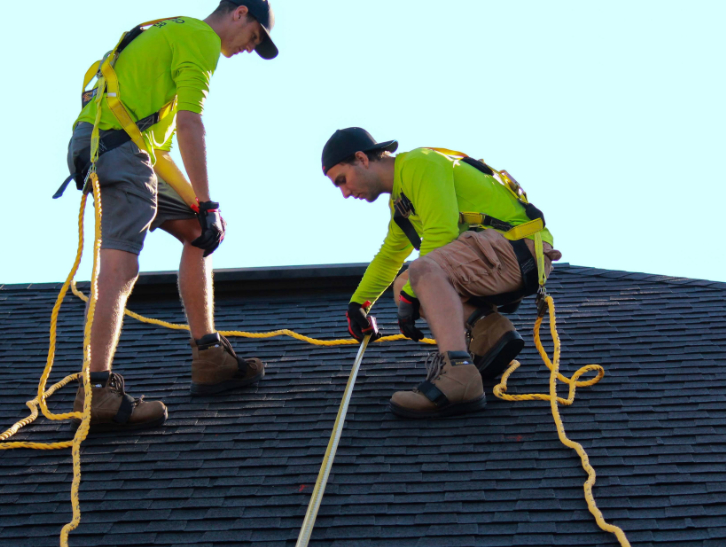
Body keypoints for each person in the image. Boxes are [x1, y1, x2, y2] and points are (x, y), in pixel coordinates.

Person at [64, 1, 279, 432]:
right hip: (114, 149)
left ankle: (209, 356)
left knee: (202, 232)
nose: (249, 48)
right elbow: (189, 124)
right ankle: (96, 391)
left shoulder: (173, 33)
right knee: (121, 265)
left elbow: (156, 144)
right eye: (254, 36)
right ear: (239, 13)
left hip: (129, 149)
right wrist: (208, 197)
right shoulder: (200, 38)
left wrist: (202, 209)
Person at [322, 127, 562, 419]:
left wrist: (414, 293)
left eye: (342, 181)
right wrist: (359, 304)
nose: (345, 193)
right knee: (403, 283)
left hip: (516, 249)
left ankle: (459, 375)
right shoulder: (402, 201)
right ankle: (490, 331)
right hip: (501, 255)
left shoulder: (418, 163)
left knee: (421, 271)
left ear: (361, 158)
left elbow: (442, 233)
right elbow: (389, 256)